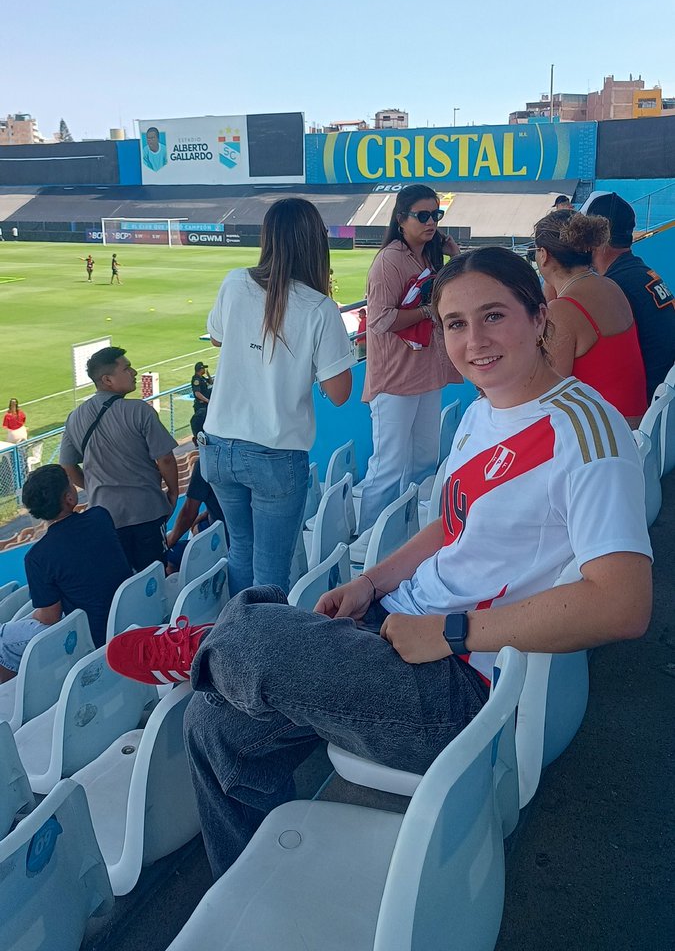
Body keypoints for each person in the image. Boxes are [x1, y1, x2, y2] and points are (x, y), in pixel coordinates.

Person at [107, 247, 653, 881]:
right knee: (214, 719)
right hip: (401, 630)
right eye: (454, 323)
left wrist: (452, 632)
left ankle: (223, 640)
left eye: (494, 315)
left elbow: (623, 604)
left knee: (248, 647)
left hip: (463, 688)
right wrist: (371, 582)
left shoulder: (587, 433)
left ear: (538, 317)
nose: (474, 340)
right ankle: (257, 885)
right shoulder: (484, 409)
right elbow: (452, 526)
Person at [196, 197, 353, 596]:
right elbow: (340, 393)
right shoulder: (320, 308)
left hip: (217, 449)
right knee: (270, 574)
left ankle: (235, 645)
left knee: (241, 553)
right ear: (317, 244)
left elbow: (217, 336)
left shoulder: (234, 282)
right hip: (274, 456)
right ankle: (258, 654)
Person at [356, 184, 462, 534]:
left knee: (423, 462)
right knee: (388, 467)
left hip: (427, 374)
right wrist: (425, 311)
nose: (431, 221)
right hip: (396, 379)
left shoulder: (429, 256)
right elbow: (381, 319)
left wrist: (452, 252)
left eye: (437, 214)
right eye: (423, 215)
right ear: (401, 219)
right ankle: (369, 541)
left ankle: (408, 534)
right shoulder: (389, 261)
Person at [0, 465, 131, 682]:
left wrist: (29, 619)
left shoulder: (38, 557)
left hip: (91, 636)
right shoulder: (100, 517)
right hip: (125, 617)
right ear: (69, 498)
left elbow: (48, 618)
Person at [59, 345, 178, 571]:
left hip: (105, 516)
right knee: (154, 576)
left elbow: (67, 464)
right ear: (107, 379)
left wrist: (93, 485)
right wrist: (173, 492)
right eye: (127, 368)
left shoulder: (74, 417)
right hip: (147, 511)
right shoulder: (140, 411)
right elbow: (166, 460)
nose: (133, 372)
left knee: (122, 579)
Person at [534, 210, 647, 426]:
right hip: (631, 427)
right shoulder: (611, 286)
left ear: (543, 255)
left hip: (604, 436)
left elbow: (544, 393)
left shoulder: (564, 311)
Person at [581, 192, 675, 402]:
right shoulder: (639, 273)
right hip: (662, 404)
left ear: (595, 237)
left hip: (646, 409)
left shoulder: (615, 286)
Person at [166, 412, 227, 574]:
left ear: (196, 441)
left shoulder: (205, 464)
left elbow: (188, 512)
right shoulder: (238, 454)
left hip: (227, 539)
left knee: (170, 556)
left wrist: (170, 541)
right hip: (245, 529)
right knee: (199, 526)